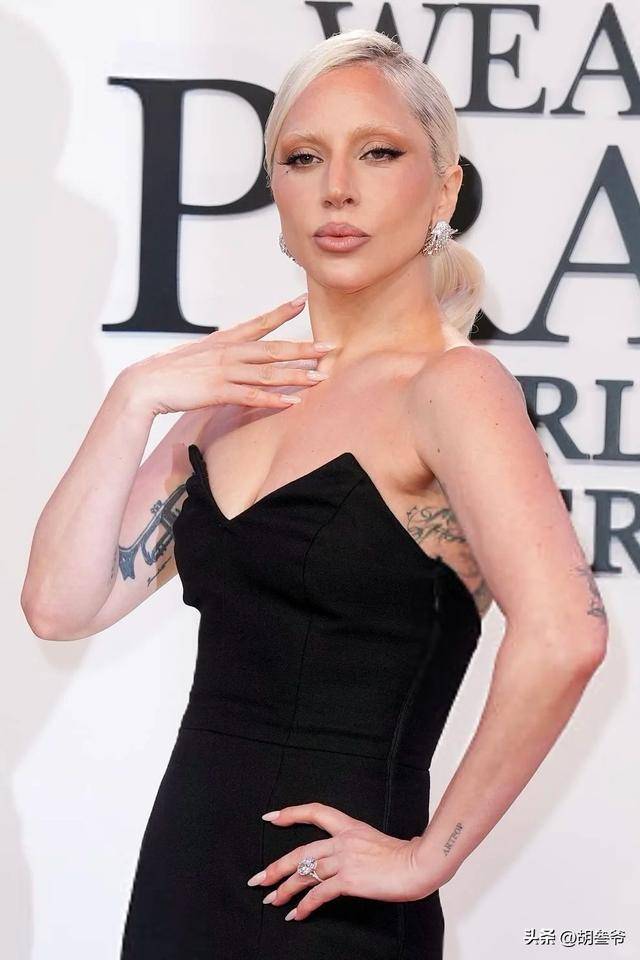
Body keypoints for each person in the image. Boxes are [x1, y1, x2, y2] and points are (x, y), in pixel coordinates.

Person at [21, 28, 608, 960]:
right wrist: (134, 397)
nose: (337, 187)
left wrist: (426, 859)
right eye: (303, 158)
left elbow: (568, 635)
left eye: (378, 153)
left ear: (443, 190)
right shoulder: (235, 395)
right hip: (183, 881)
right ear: (277, 193)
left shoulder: (453, 388)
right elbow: (58, 607)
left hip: (330, 910)